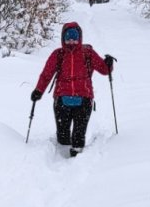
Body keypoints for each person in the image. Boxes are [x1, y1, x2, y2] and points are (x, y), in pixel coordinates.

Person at [30, 22, 115, 157]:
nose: (71, 41)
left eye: (74, 37)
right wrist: (38, 91)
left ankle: (77, 151)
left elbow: (104, 70)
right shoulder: (58, 54)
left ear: (79, 37)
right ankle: (61, 153)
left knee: (78, 134)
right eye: (68, 37)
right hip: (62, 99)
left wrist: (108, 64)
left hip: (84, 98)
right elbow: (46, 74)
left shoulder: (88, 53)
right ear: (63, 38)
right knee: (63, 137)